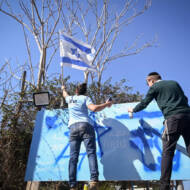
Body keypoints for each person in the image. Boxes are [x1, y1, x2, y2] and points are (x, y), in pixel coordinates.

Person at [128, 72, 190, 190]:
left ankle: (164, 187)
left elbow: (144, 102)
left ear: (151, 80)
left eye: (148, 84)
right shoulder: (174, 83)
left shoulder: (155, 87)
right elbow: (185, 98)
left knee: (167, 153)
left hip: (172, 119)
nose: (149, 86)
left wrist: (133, 109)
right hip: (188, 116)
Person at [62, 83, 112, 190]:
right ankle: (93, 181)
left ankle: (72, 185)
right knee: (91, 153)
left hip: (73, 128)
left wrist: (63, 89)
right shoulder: (85, 98)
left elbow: (65, 95)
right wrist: (106, 104)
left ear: (76, 91)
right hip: (85, 125)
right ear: (84, 92)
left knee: (73, 157)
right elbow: (93, 108)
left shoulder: (70, 99)